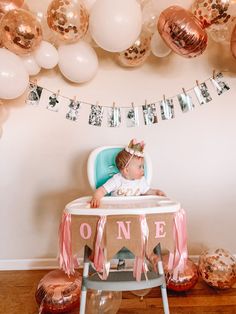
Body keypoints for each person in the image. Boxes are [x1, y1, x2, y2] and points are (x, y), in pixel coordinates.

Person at [90, 139, 166, 208]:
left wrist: (156, 192)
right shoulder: (116, 180)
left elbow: (147, 191)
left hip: (135, 211)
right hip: (117, 210)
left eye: (143, 167)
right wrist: (96, 198)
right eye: (139, 167)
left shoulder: (141, 181)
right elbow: (102, 190)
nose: (143, 170)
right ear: (126, 170)